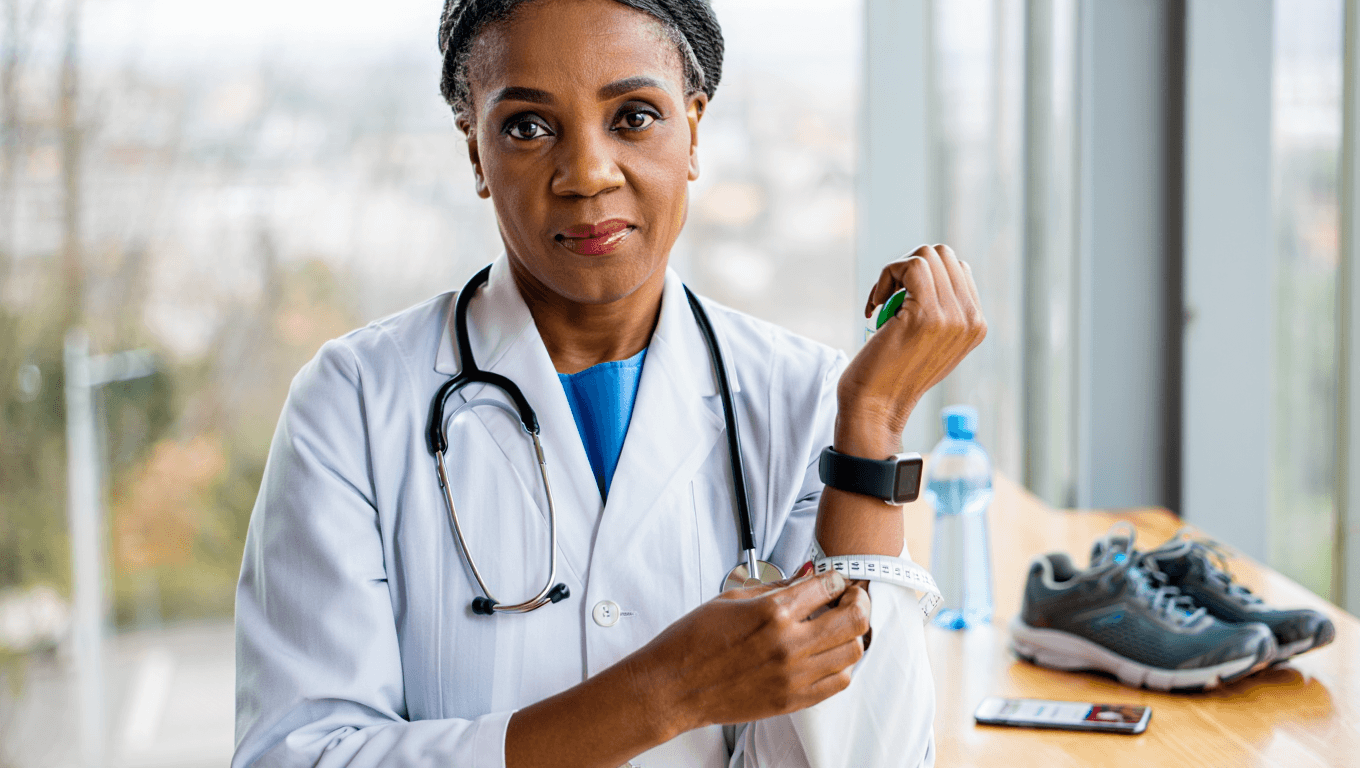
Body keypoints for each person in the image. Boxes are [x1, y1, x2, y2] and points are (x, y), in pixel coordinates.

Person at [231, 0, 986, 766]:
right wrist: (666, 693)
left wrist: (873, 425)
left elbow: (867, 759)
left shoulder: (803, 401)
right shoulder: (353, 402)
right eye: (528, 126)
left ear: (693, 128)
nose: (587, 174)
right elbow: (296, 756)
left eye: (633, 116)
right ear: (474, 149)